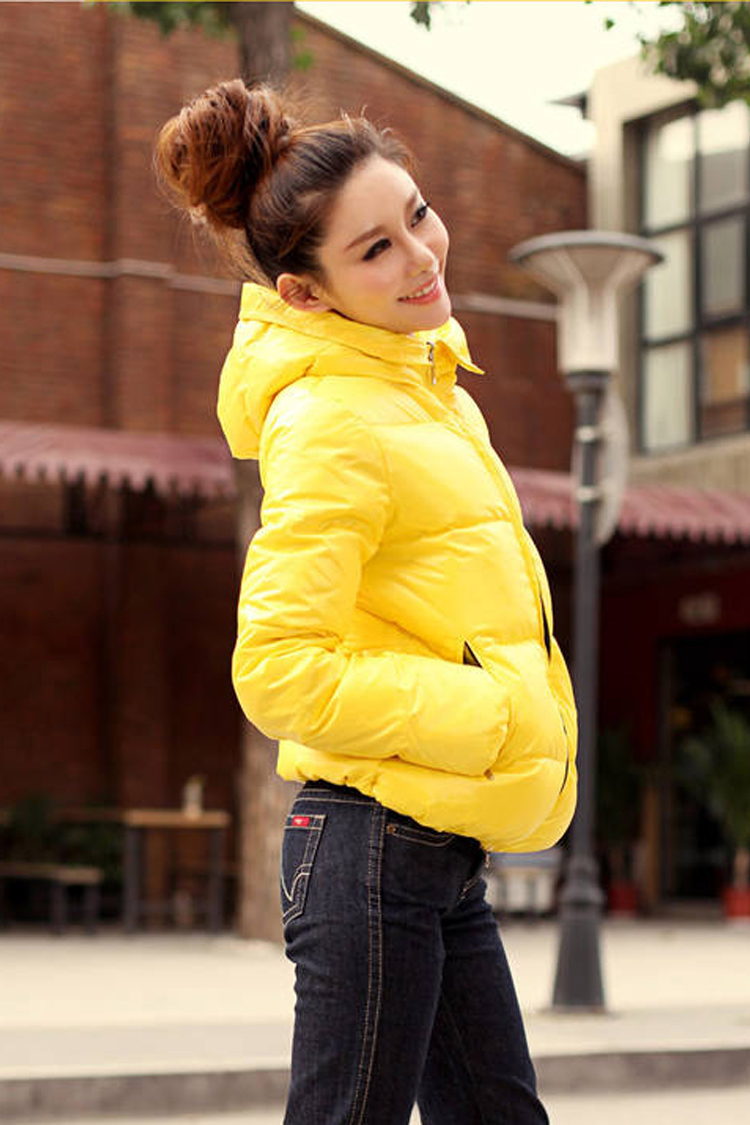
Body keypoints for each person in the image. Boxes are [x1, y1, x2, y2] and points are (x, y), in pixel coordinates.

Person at [155, 79, 578, 1125]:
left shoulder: (429, 396)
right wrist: (488, 715)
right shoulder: (330, 420)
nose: (422, 255)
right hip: (371, 847)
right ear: (305, 294)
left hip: (434, 848)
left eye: (417, 215)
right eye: (376, 249)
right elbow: (278, 668)